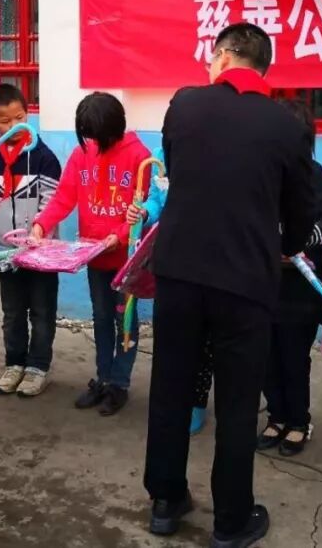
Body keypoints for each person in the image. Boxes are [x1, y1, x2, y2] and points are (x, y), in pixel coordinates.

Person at [143, 23, 314, 548]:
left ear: (223, 57)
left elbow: (181, 174)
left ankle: (165, 501)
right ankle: (231, 521)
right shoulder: (285, 124)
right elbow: (299, 213)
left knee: (171, 387)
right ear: (263, 67)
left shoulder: (184, 106)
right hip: (244, 280)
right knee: (238, 402)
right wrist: (282, 242)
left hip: (179, 272)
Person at [31, 92, 151, 416]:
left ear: (115, 128)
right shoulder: (82, 153)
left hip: (126, 262)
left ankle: (119, 384)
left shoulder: (139, 156)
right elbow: (63, 197)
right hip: (94, 256)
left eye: (98, 136)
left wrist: (120, 236)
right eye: (88, 136)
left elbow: (144, 210)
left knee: (125, 322)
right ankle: (103, 378)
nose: (94, 142)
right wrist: (41, 224)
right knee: (100, 318)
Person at [0, 84, 62, 398]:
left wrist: (38, 235)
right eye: (6, 121)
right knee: (13, 313)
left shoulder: (44, 158)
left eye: (20, 117)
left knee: (42, 313)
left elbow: (51, 204)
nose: (15, 125)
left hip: (40, 254)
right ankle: (14, 364)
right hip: (6, 253)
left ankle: (38, 368)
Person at [256, 99, 322, 458]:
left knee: (294, 357)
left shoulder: (314, 174)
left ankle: (298, 421)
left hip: (300, 289)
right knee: (264, 357)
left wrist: (301, 242)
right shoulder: (257, 172)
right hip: (262, 284)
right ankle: (276, 415)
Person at [126, 145, 214, 436]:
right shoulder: (161, 156)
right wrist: (143, 212)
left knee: (202, 339)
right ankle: (172, 400)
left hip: (206, 258)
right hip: (169, 259)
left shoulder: (212, 151)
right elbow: (155, 200)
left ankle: (196, 401)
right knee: (171, 335)